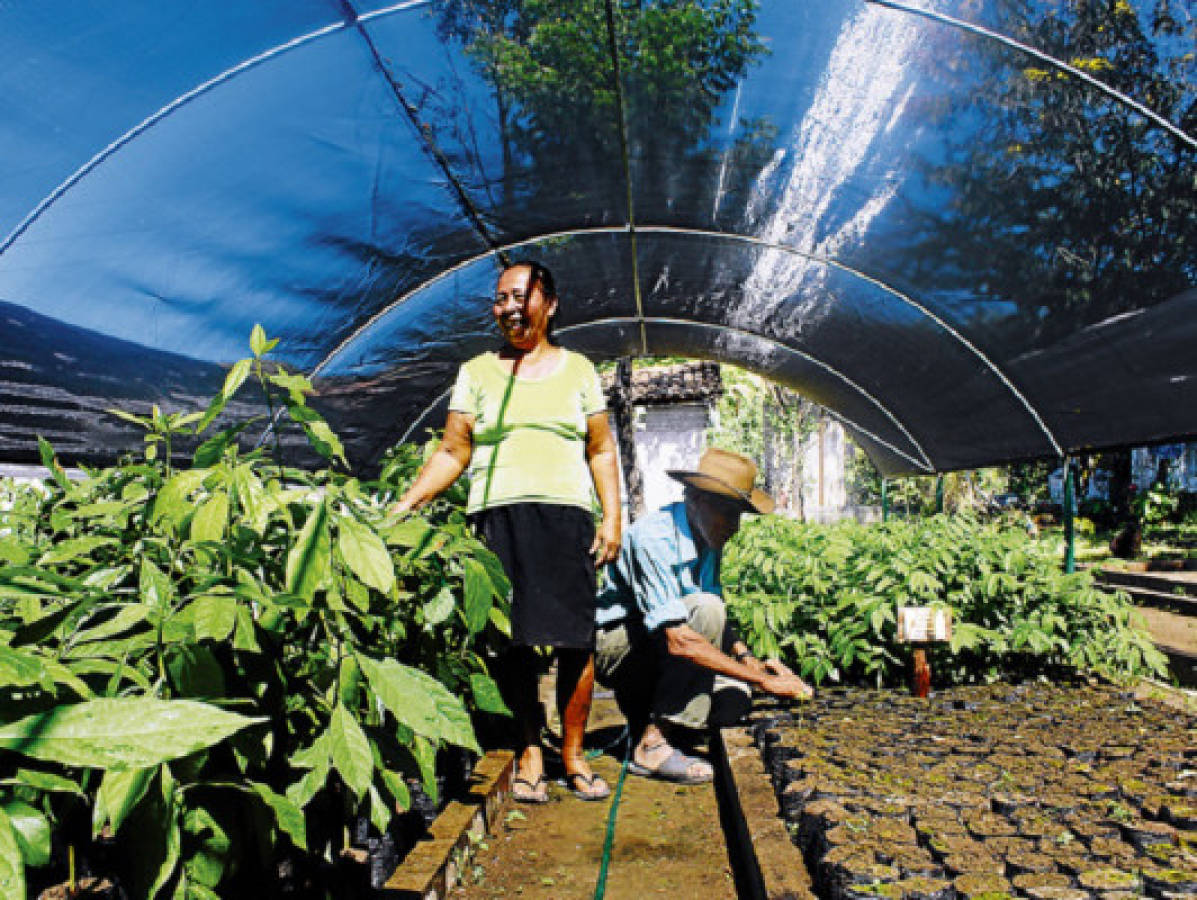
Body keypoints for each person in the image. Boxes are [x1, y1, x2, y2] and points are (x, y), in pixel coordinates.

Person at [393, 261, 621, 802]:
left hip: (566, 515)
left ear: (550, 302)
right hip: (496, 516)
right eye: (500, 299)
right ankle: (529, 749)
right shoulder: (477, 372)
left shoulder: (578, 369)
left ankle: (573, 751)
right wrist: (405, 503)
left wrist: (611, 516)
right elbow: (454, 451)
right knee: (510, 643)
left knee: (575, 641)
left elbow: (601, 448)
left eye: (520, 296)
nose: (509, 308)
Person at [595, 447, 812, 783]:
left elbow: (714, 616)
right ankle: (652, 745)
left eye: (738, 515)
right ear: (695, 498)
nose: (734, 526)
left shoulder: (709, 538)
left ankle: (661, 718)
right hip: (618, 647)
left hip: (659, 645)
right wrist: (764, 681)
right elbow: (681, 640)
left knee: (734, 703)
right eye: (727, 512)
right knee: (709, 613)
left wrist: (749, 660)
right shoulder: (653, 537)